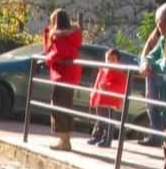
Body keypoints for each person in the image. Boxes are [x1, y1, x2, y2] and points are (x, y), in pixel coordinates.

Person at [42, 8, 82, 151]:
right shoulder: (73, 35)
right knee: (66, 106)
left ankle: (64, 140)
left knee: (58, 107)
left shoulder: (59, 36)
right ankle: (66, 140)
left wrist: (48, 59)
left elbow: (59, 52)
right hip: (71, 75)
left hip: (62, 75)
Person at [139, 1, 166, 169]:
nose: (158, 27)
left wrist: (154, 66)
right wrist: (145, 63)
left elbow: (165, 64)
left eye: (161, 22)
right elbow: (152, 55)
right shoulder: (164, 40)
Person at [87, 48, 128, 149]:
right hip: (100, 100)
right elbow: (97, 84)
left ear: (118, 61)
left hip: (111, 102)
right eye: (107, 59)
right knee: (99, 120)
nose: (109, 61)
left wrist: (108, 87)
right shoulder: (102, 71)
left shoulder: (120, 74)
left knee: (109, 122)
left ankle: (107, 140)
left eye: (112, 59)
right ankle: (96, 136)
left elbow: (120, 88)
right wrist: (93, 95)